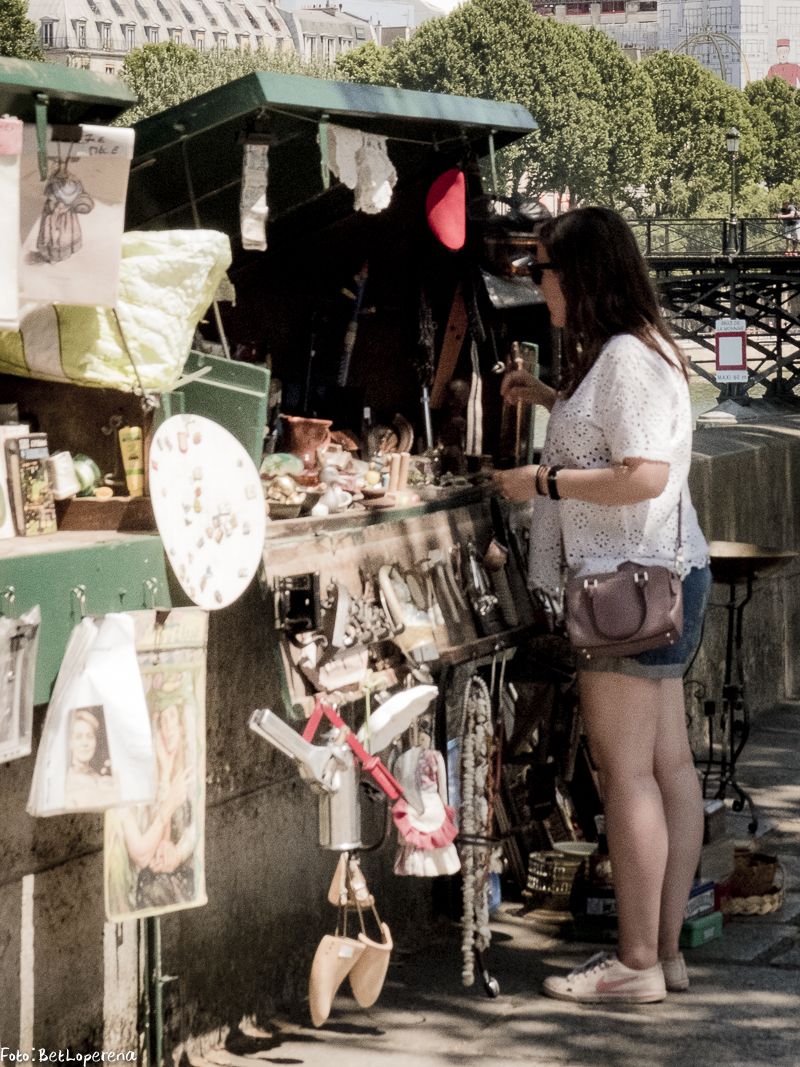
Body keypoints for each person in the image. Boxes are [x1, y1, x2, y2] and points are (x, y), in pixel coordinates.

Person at [494, 207, 711, 1005]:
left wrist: (539, 481)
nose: (538, 284)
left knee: (626, 774)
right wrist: (551, 396)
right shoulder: (644, 348)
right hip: (667, 573)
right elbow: (618, 438)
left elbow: (643, 473)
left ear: (580, 275)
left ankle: (635, 960)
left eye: (544, 270)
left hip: (625, 586)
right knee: (669, 766)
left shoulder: (621, 358)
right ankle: (665, 952)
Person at [64, 708, 121, 809]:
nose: (85, 743)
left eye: (90, 736)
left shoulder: (97, 778)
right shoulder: (66, 782)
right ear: (70, 742)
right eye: (78, 737)